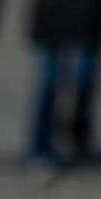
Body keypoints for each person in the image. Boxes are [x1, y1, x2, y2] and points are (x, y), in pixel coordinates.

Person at [26, 0, 101, 167]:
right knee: (49, 83)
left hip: (87, 16)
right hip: (53, 15)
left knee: (84, 80)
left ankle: (78, 142)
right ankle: (40, 147)